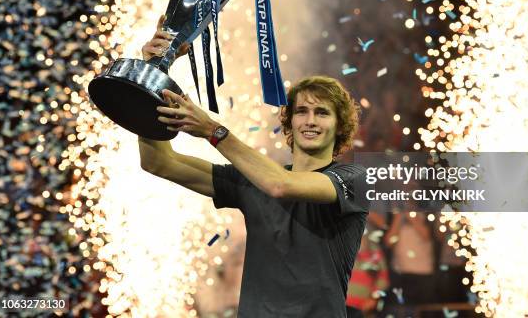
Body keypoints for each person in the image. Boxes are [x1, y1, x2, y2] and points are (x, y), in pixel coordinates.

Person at [138, 16, 370, 317]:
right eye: (301, 111)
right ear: (289, 122)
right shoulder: (252, 178)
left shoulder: (354, 179)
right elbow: (159, 162)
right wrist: (149, 77)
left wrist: (213, 130)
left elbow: (279, 185)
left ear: (340, 127)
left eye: (322, 113)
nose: (310, 120)